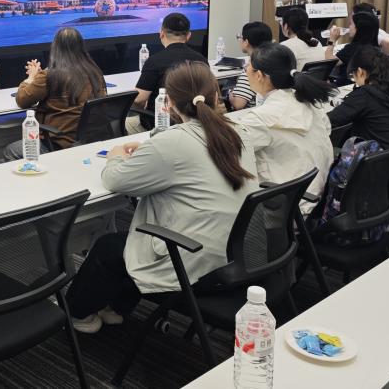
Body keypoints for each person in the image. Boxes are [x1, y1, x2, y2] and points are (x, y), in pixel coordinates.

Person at [66, 61, 258, 333]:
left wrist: (116, 157)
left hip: (194, 262)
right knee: (130, 242)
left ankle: (77, 315)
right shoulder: (238, 132)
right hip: (235, 256)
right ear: (216, 96)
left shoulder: (174, 143)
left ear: (169, 103)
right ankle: (116, 309)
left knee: (108, 248)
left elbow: (115, 179)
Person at [230, 43, 334, 214]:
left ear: (260, 76)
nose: (246, 70)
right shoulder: (310, 101)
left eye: (248, 66)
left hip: (286, 209)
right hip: (316, 198)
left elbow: (230, 151)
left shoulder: (261, 119)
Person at [6, 27, 106, 159]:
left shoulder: (50, 76)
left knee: (11, 150)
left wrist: (31, 78)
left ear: (55, 48)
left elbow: (22, 100)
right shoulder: (95, 72)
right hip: (89, 140)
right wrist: (39, 77)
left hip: (59, 143)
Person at [327, 46, 389, 146]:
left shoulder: (364, 95)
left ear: (360, 72)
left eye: (353, 76)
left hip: (381, 154)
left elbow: (328, 121)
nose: (355, 81)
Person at [125, 13, 207, 134]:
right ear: (189, 35)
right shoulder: (202, 60)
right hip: (194, 122)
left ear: (161, 33)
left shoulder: (154, 61)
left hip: (159, 124)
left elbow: (139, 99)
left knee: (122, 124)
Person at [325, 10, 385, 84]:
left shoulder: (353, 48)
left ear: (358, 28)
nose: (349, 27)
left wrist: (332, 40)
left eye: (351, 24)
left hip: (345, 85)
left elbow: (330, 61)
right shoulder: (377, 48)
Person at [229, 21, 274, 110]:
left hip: (250, 113)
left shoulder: (251, 70)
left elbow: (238, 104)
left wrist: (230, 95)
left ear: (246, 42)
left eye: (240, 37)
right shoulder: (273, 62)